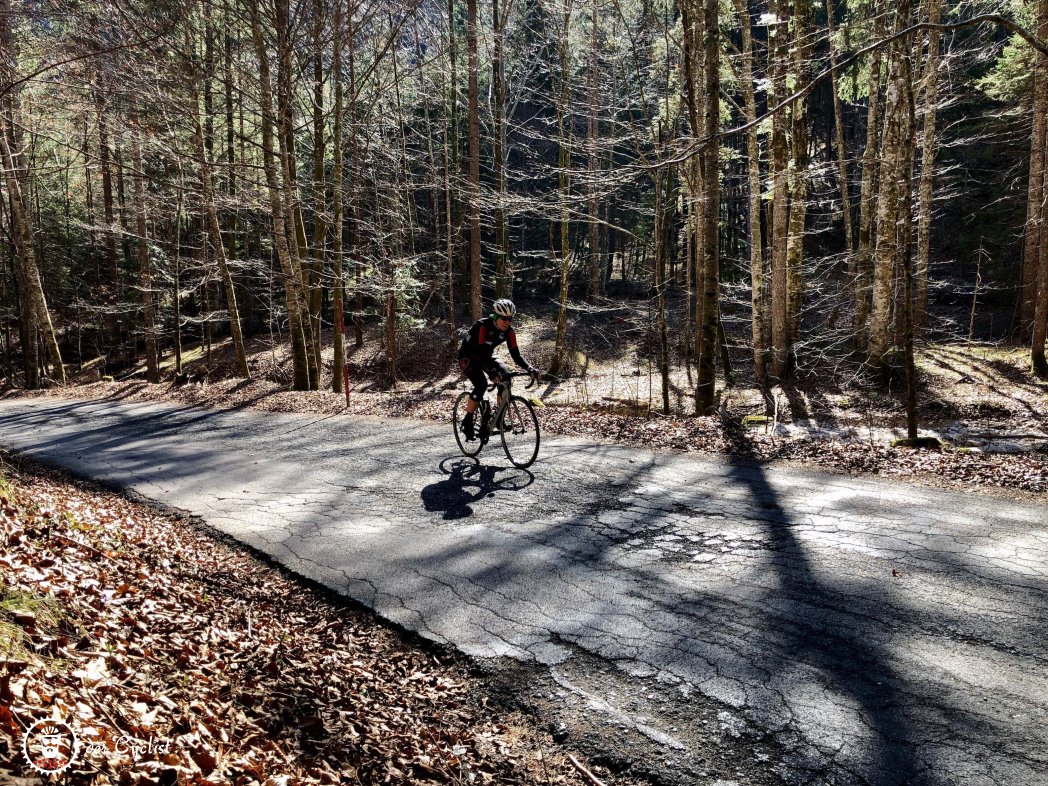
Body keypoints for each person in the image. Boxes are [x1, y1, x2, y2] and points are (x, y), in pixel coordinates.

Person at [458, 299, 541, 440]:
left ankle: (498, 419)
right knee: (481, 385)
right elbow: (480, 352)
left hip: (486, 355)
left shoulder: (509, 332)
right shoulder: (482, 326)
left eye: (510, 319)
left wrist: (529, 368)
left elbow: (516, 354)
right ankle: (468, 419)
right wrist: (491, 373)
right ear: (495, 317)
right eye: (504, 319)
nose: (508, 322)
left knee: (506, 376)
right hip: (468, 357)